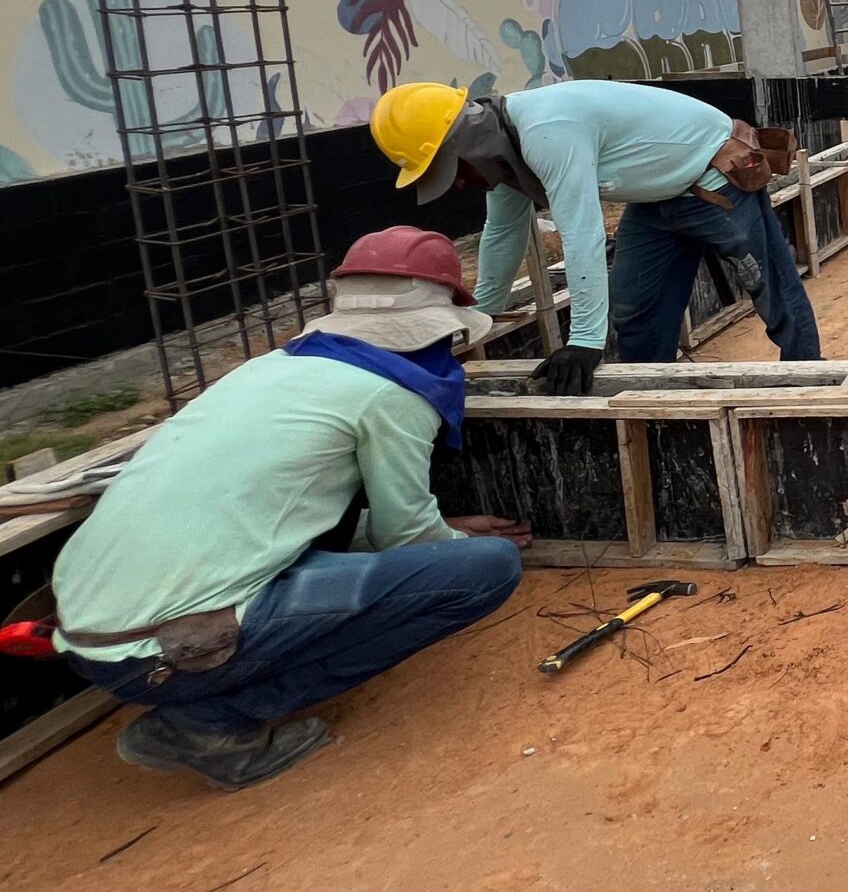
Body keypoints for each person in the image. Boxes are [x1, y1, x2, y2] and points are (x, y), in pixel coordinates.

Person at [44, 228, 528, 791]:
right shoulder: (391, 394)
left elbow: (276, 520)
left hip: (88, 638)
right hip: (177, 648)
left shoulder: (267, 372)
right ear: (441, 323)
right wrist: (446, 541)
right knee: (486, 568)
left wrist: (436, 527)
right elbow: (410, 542)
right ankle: (211, 722)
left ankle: (200, 710)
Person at [369, 79, 820, 393]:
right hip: (655, 199)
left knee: (769, 289)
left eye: (451, 172)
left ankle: (810, 386)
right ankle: (654, 403)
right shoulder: (502, 158)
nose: (457, 185)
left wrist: (584, 343)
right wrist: (468, 326)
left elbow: (581, 234)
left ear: (466, 146)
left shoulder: (546, 132)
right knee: (636, 309)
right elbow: (502, 238)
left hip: (714, 178)